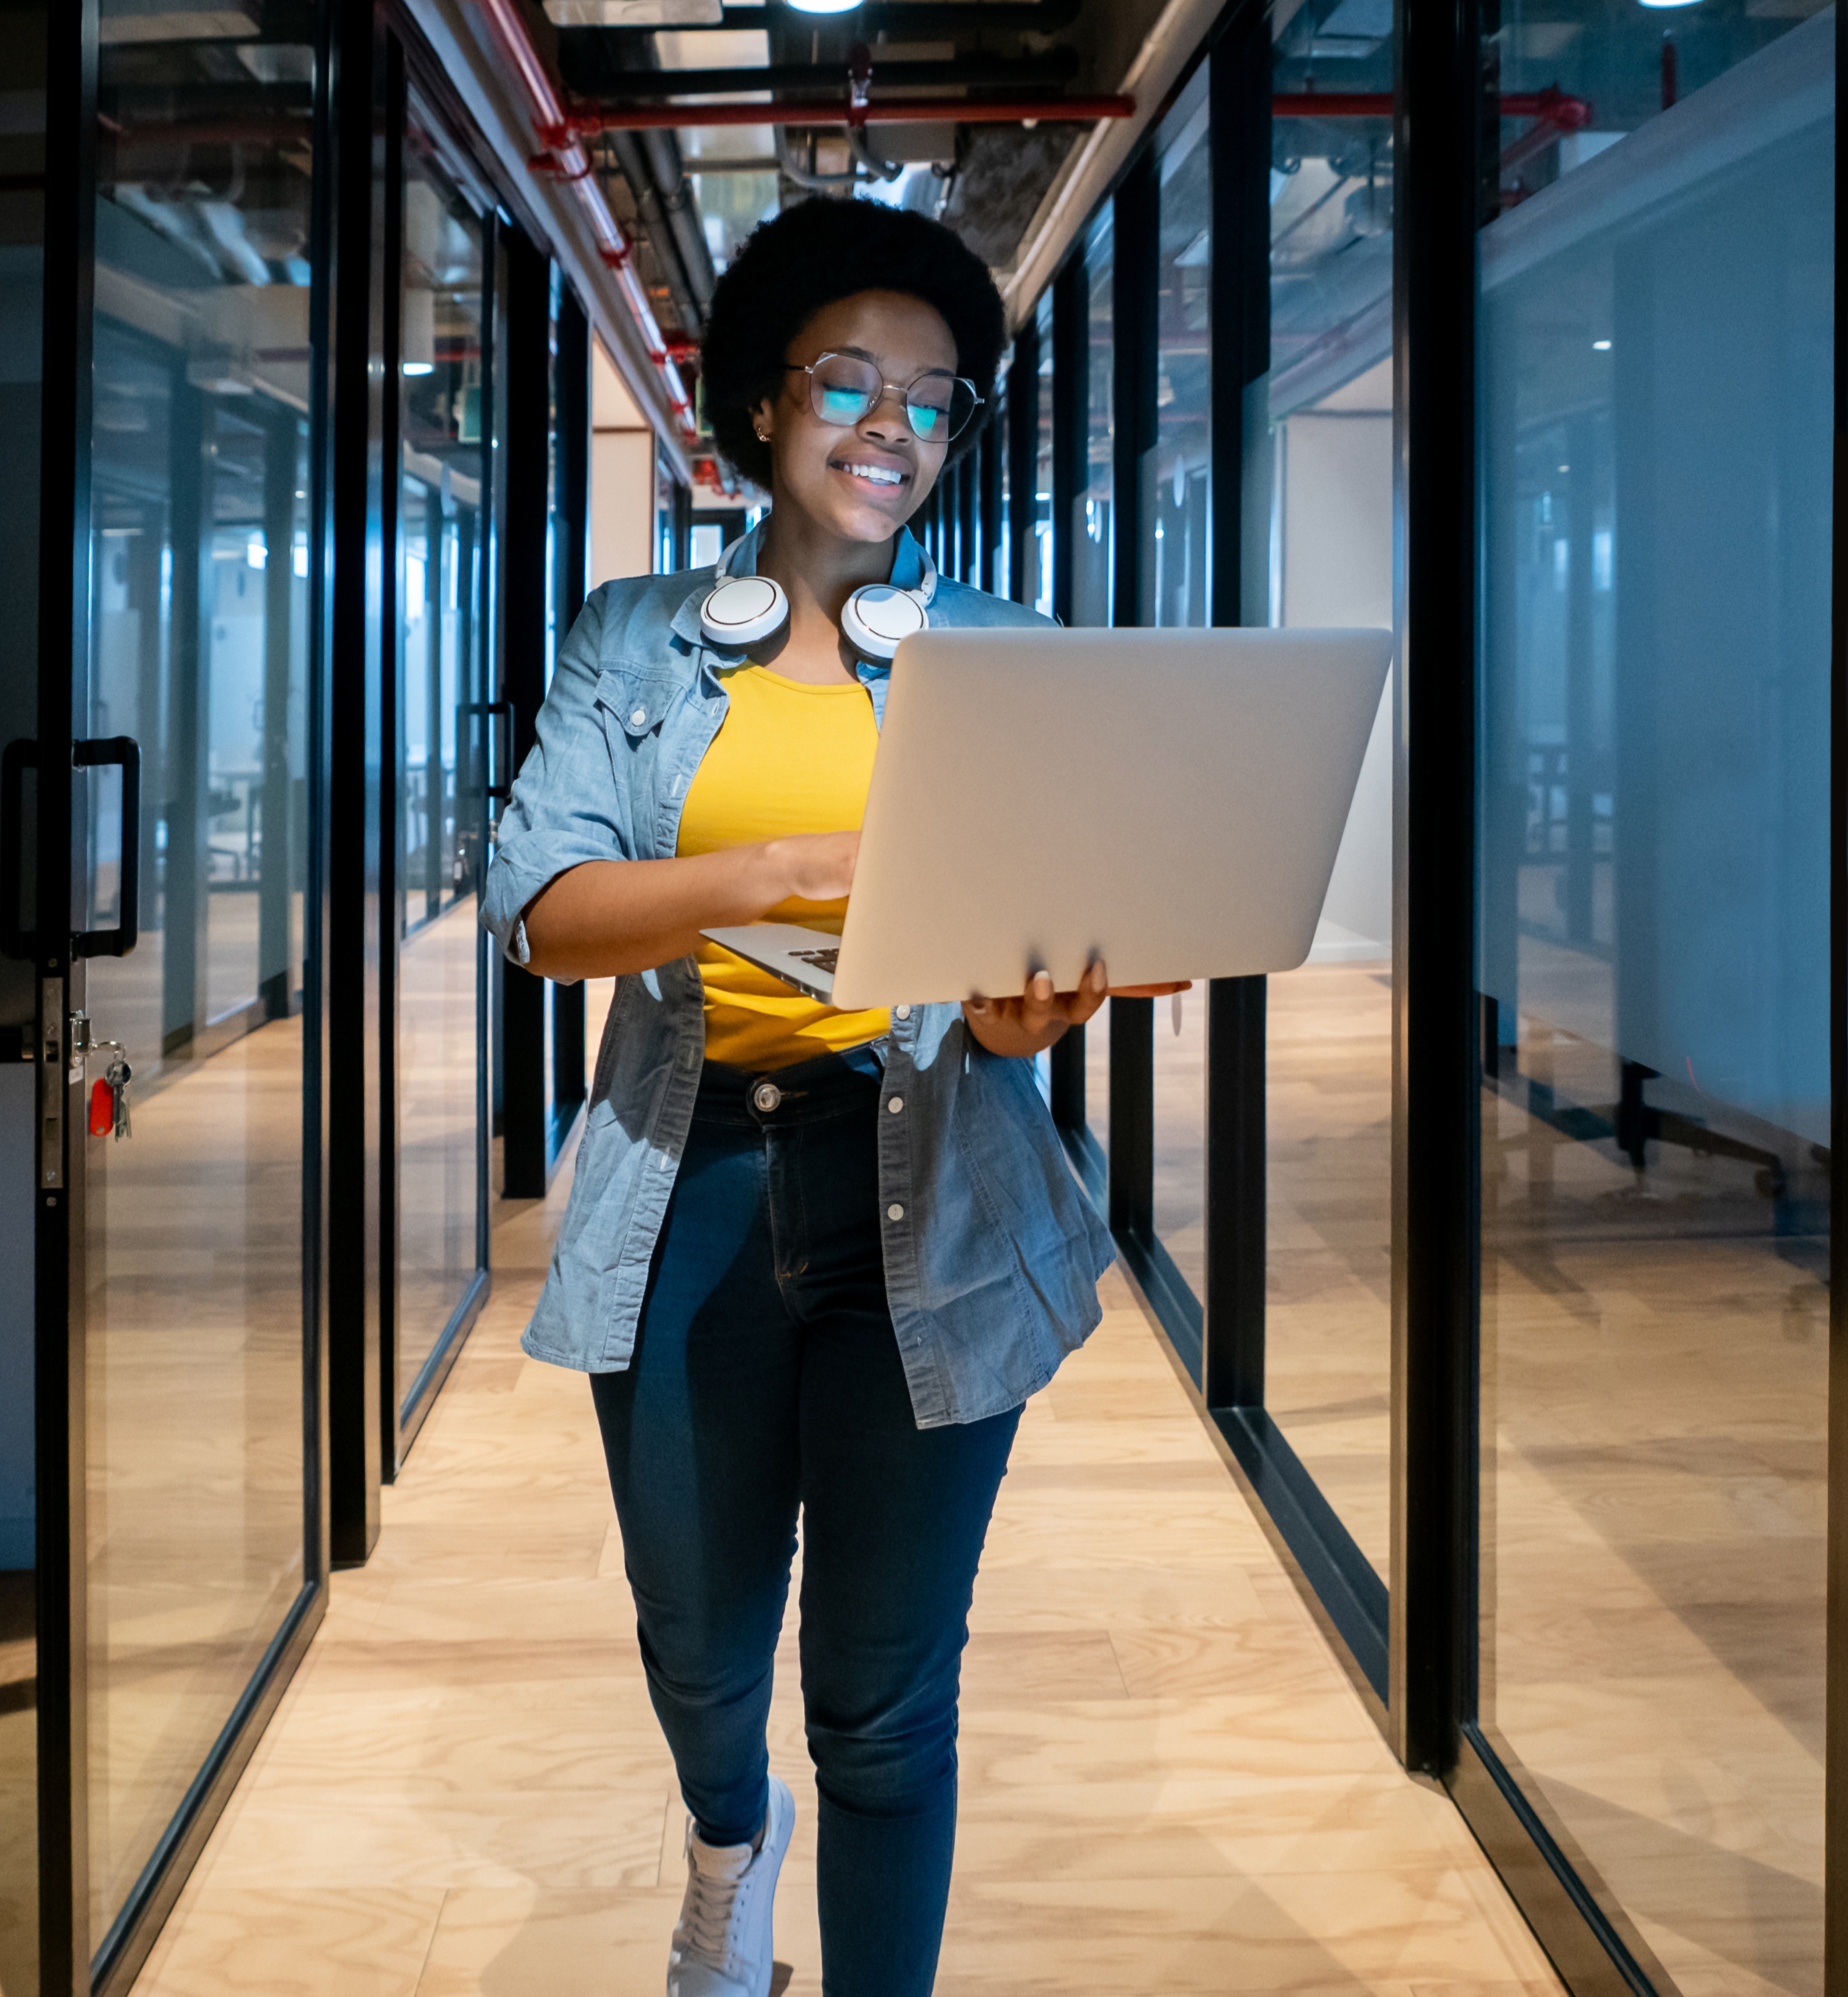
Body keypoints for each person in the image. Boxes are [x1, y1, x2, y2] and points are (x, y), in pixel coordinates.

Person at [481, 196, 1163, 1997]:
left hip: (931, 1189)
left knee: (883, 1698)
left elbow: (1018, 976)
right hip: (689, 1183)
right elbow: (544, 917)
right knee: (701, 1649)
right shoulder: (634, 638)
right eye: (848, 382)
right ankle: (725, 1840)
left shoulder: (1001, 647)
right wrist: (779, 865)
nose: (890, 427)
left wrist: (1028, 1022)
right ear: (763, 408)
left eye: (932, 401)